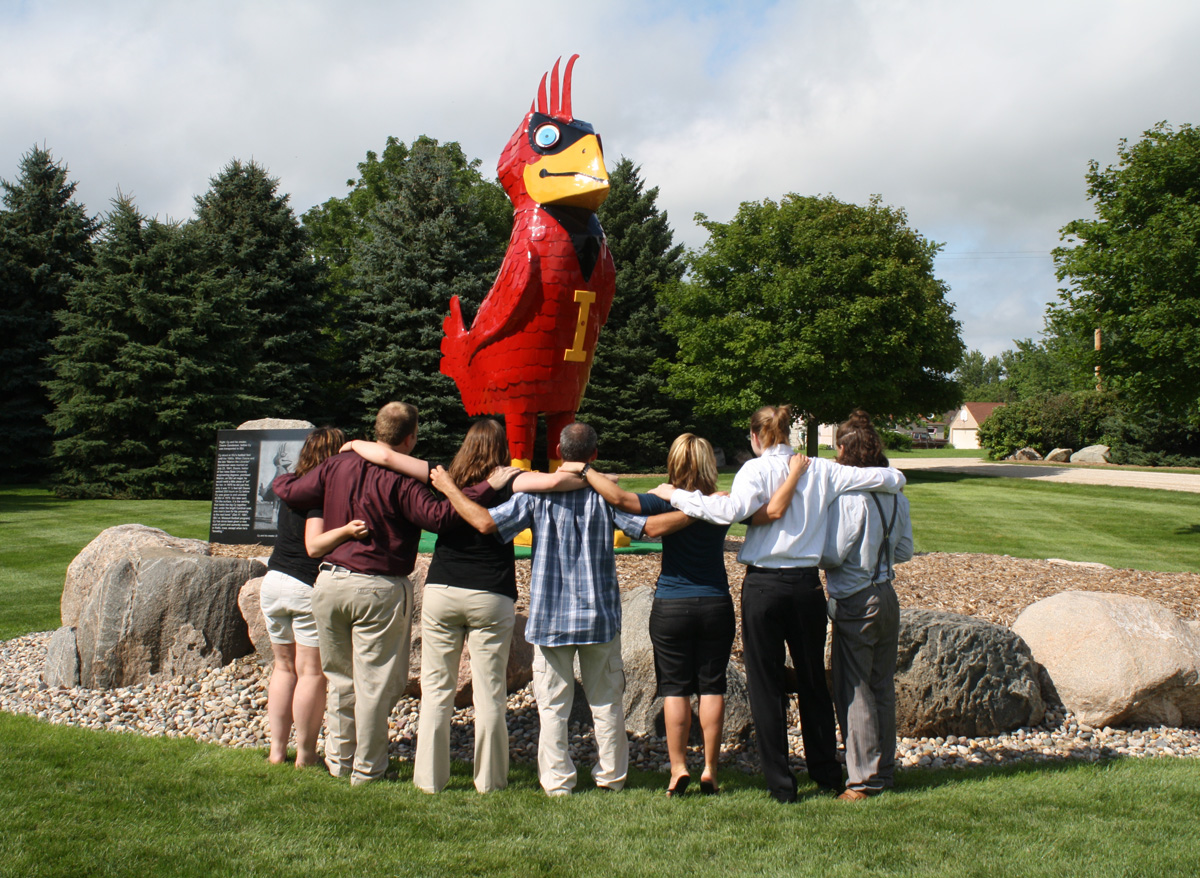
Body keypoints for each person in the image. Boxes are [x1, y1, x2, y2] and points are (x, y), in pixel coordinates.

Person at [651, 404, 906, 803]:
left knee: (766, 685)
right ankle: (826, 773)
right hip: (806, 586)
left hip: (764, 587)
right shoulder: (820, 469)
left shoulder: (754, 470)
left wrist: (677, 496)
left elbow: (729, 510)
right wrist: (895, 476)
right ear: (789, 433)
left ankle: (781, 785)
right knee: (812, 683)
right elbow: (887, 477)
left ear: (756, 436)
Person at [343, 419, 583, 794]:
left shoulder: (444, 476)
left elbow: (388, 456)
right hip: (491, 594)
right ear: (501, 449)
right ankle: (490, 782)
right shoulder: (509, 479)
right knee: (491, 694)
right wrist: (595, 476)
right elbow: (556, 483)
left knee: (436, 691)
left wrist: (355, 443)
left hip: (443, 590)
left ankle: (428, 781)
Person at [272, 402, 506, 785]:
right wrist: (485, 488)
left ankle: (339, 762)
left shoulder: (336, 465)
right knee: (374, 685)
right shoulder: (405, 480)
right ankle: (367, 770)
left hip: (329, 583)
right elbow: (441, 518)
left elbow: (291, 490)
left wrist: (283, 477)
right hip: (378, 588)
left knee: (340, 680)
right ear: (410, 438)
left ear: (376, 429)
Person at [431, 422, 649, 797]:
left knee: (552, 706)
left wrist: (451, 488)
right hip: (599, 616)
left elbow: (486, 523)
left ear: (559, 452)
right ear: (594, 454)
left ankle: (557, 781)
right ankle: (611, 777)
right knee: (607, 702)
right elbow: (643, 526)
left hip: (552, 616)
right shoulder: (605, 495)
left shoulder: (536, 496)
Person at [583, 434, 758, 797]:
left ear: (673, 463)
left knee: (675, 689)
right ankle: (710, 770)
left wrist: (585, 470)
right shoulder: (721, 503)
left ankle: (678, 769)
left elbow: (619, 499)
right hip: (715, 602)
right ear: (710, 463)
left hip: (672, 604)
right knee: (712, 686)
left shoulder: (662, 499)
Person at [771, 411, 912, 800]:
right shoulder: (897, 496)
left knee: (855, 690)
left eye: (837, 448)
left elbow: (833, 554)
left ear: (846, 449)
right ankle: (884, 771)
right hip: (887, 595)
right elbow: (904, 550)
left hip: (856, 598)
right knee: (882, 687)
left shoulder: (851, 498)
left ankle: (863, 781)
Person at [261, 426, 370, 767]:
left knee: (283, 668)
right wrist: (348, 530)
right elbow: (313, 545)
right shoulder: (320, 493)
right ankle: (306, 755)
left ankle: (276, 751)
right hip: (303, 585)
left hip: (273, 580)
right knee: (310, 673)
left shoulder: (291, 485)